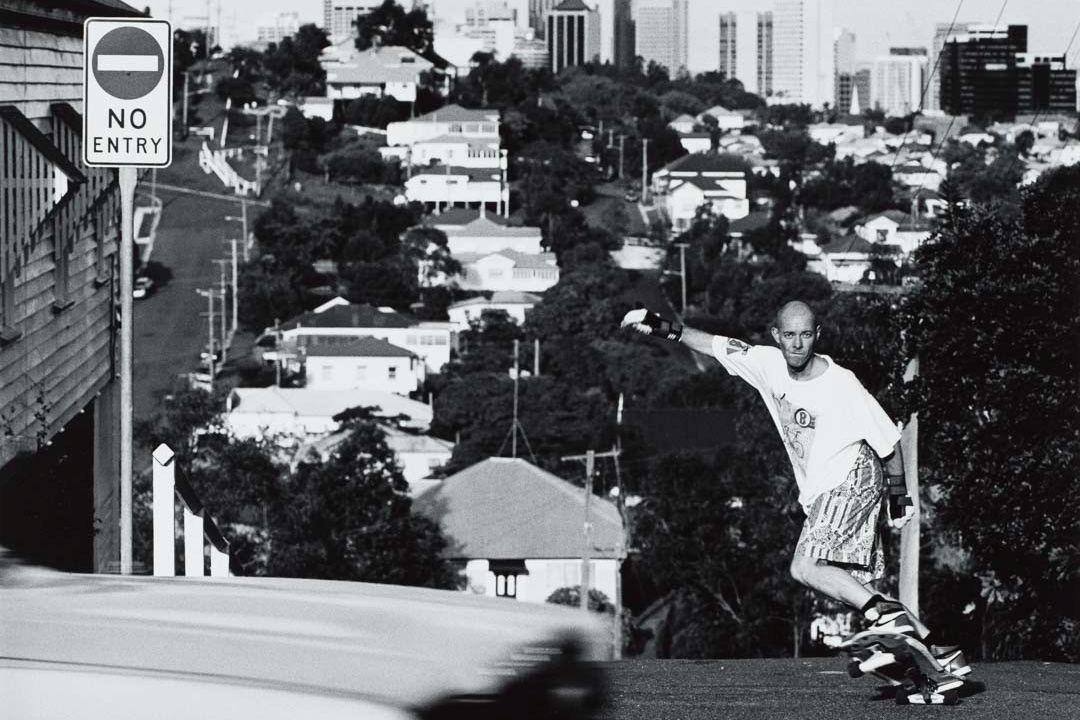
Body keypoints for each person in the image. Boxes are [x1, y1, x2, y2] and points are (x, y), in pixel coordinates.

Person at [620, 301, 926, 638]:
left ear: (817, 336)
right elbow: (712, 343)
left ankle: (884, 620)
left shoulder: (843, 384)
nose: (797, 345)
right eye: (790, 335)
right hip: (825, 490)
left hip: (855, 476)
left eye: (806, 335)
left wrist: (900, 496)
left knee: (805, 566)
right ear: (776, 335)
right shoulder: (764, 362)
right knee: (847, 582)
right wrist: (660, 326)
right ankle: (931, 647)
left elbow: (888, 442)